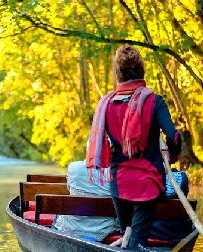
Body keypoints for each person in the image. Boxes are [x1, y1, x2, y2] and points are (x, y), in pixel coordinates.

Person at [86, 45, 181, 251]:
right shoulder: (154, 101)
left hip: (118, 185)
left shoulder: (106, 103)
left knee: (127, 240)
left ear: (118, 74)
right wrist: (172, 156)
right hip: (147, 184)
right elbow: (174, 136)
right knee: (136, 246)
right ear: (142, 71)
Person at [52, 160, 120, 242]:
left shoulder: (74, 167)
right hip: (104, 230)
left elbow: (69, 189)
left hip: (71, 226)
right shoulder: (118, 171)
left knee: (59, 215)